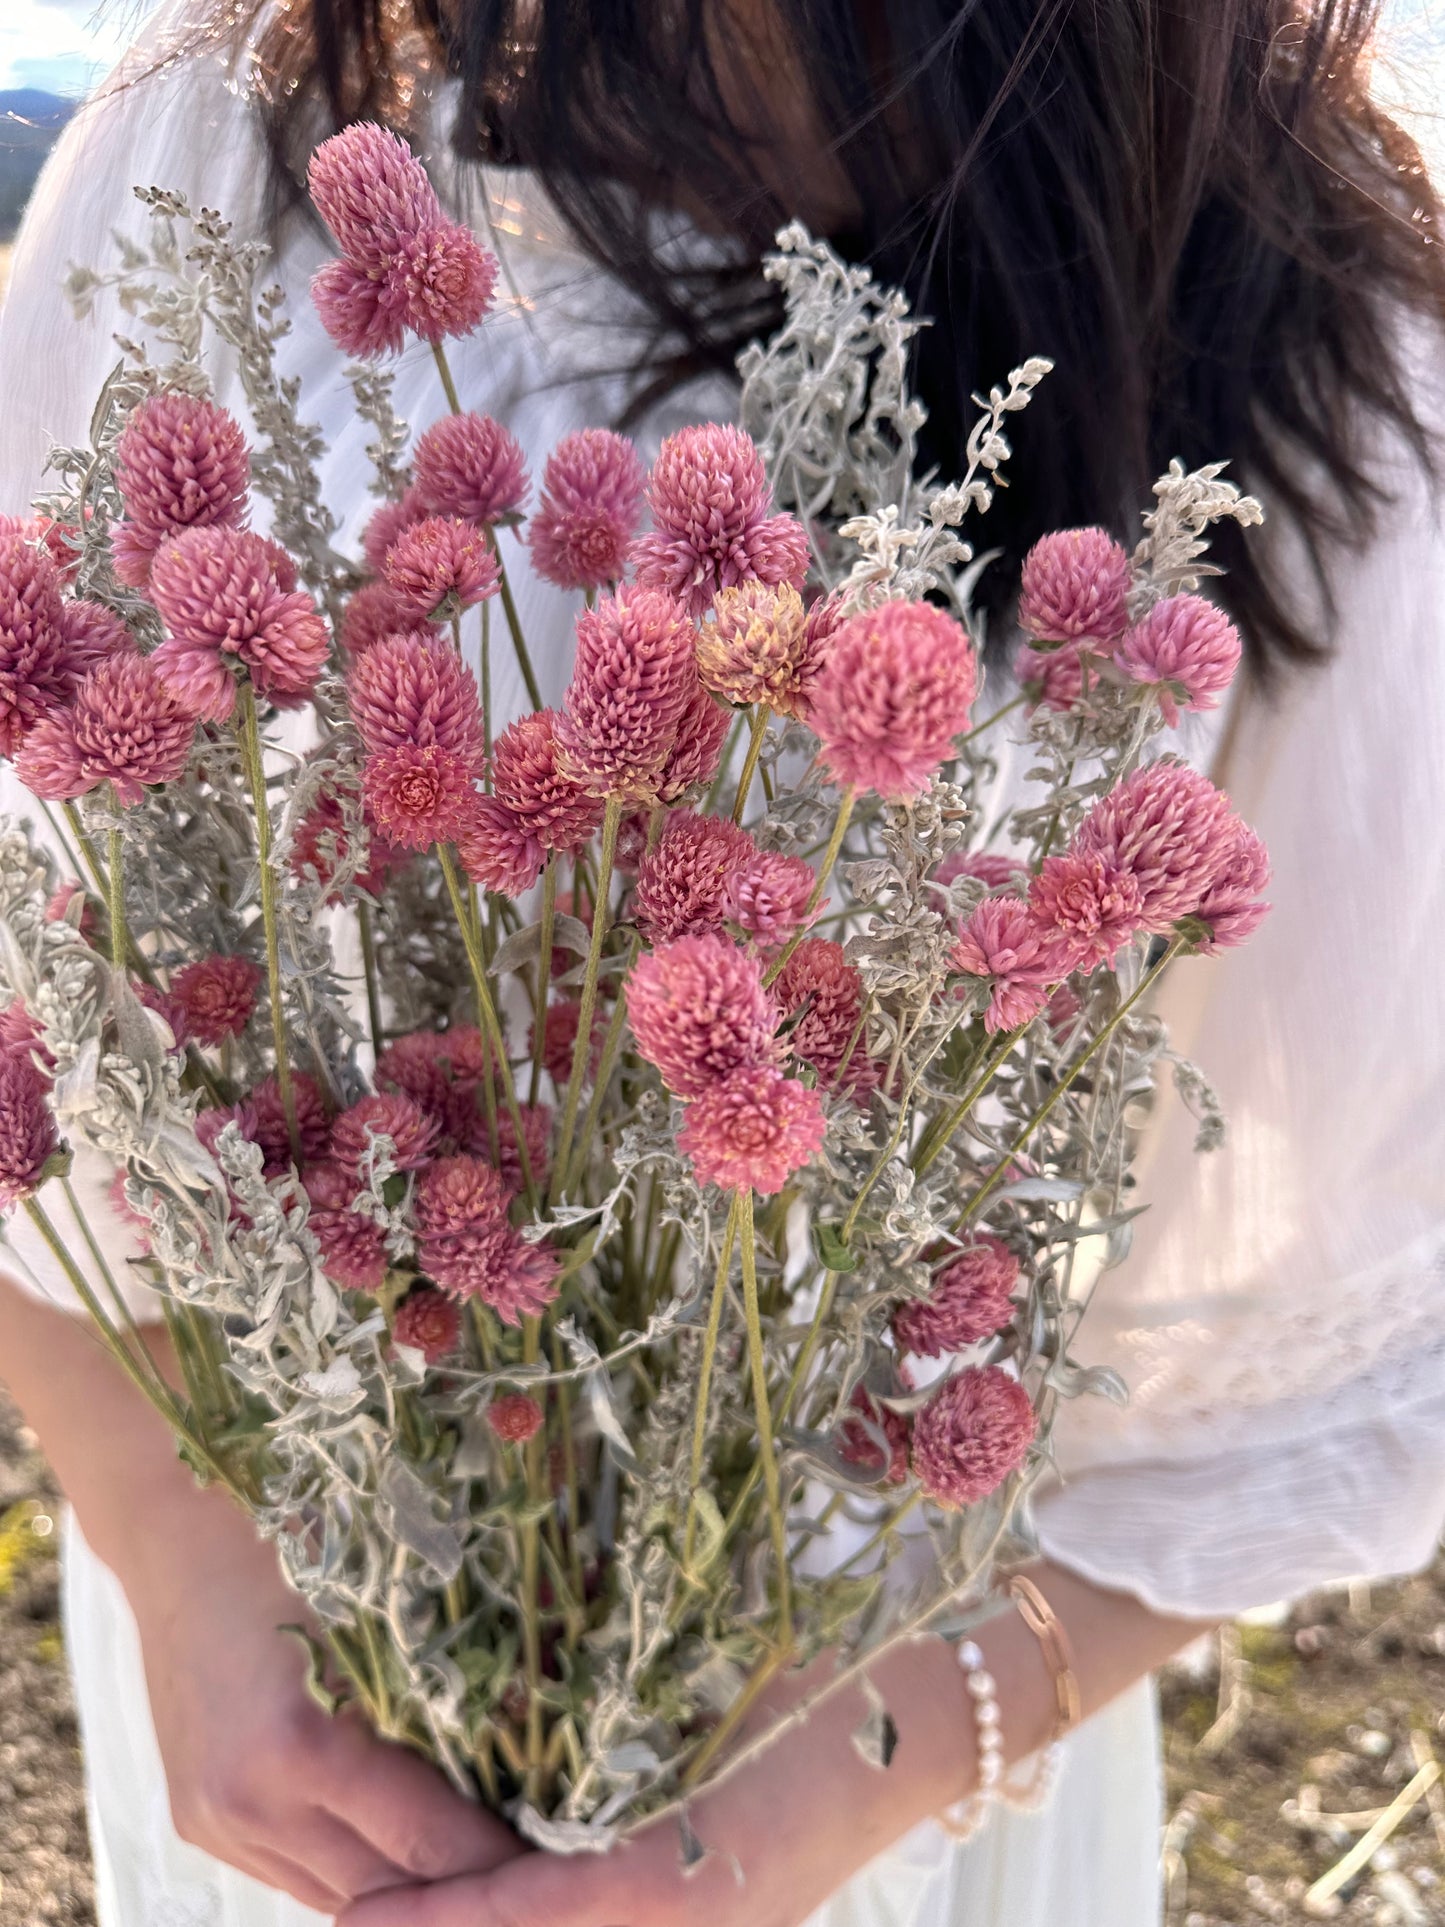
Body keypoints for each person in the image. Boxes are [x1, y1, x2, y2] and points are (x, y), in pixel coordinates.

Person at [1, 4, 1443, 1924]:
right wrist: (176, 1535)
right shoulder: (240, 126)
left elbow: (1309, 1376)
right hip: (282, 1730)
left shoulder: (1322, 331)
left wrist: (757, 1845)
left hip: (838, 1787)